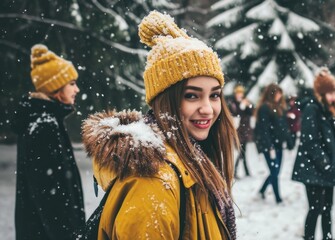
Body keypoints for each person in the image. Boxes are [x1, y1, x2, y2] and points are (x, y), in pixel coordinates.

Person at [81, 11, 239, 239]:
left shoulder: (192, 162)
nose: (208, 108)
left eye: (214, 95)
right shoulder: (154, 182)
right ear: (165, 102)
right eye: (192, 96)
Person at [12, 44, 85, 240]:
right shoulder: (44, 126)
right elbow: (51, 201)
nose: (76, 89)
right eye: (71, 83)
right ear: (55, 87)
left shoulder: (40, 120)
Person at [291, 68, 335, 240]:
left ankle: (327, 237)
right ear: (321, 93)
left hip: (326, 169)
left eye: (334, 93)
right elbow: (310, 142)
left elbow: (332, 146)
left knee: (327, 209)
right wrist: (326, 164)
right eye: (330, 93)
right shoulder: (312, 110)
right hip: (313, 169)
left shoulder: (326, 111)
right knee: (315, 209)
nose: (333, 97)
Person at [254, 83, 293, 204]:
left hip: (278, 145)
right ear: (271, 94)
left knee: (275, 172)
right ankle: (278, 198)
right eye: (277, 93)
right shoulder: (265, 108)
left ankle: (261, 191)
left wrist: (289, 141)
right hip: (269, 146)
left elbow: (283, 127)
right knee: (275, 171)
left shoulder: (279, 107)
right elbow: (263, 129)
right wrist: (269, 146)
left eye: (280, 93)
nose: (280, 96)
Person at [227, 84, 254, 178]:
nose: (239, 95)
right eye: (238, 93)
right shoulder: (233, 103)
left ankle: (245, 170)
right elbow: (234, 115)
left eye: (241, 93)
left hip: (245, 130)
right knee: (240, 151)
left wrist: (247, 106)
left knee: (243, 151)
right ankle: (236, 170)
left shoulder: (245, 101)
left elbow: (251, 112)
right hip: (237, 131)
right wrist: (240, 108)